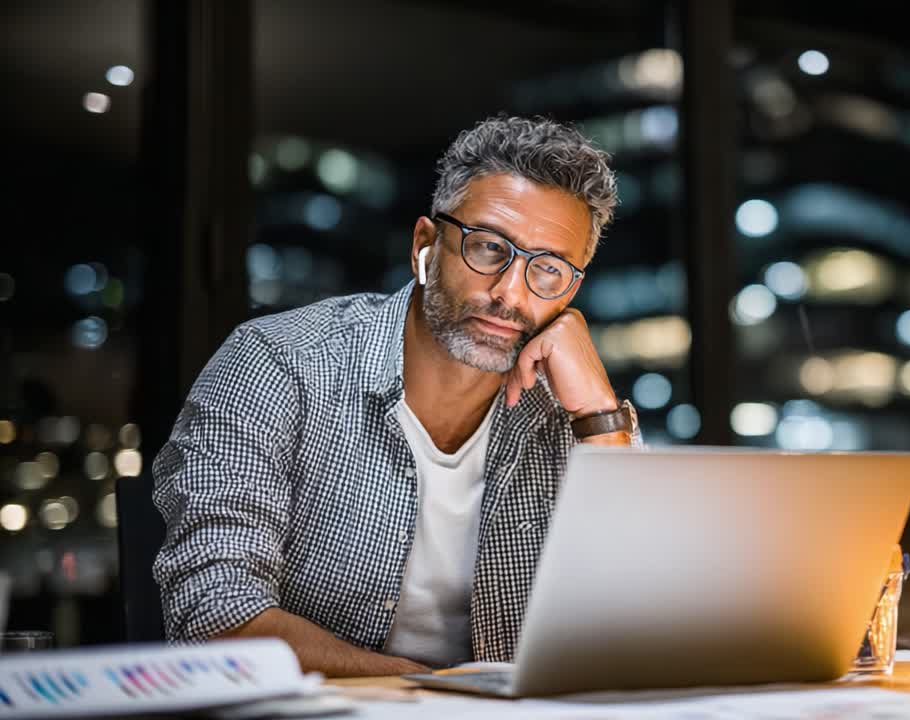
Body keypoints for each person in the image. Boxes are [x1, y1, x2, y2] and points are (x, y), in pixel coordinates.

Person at [153, 116, 640, 676]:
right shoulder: (277, 364)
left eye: (548, 270)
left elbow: (647, 619)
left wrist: (601, 415)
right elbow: (213, 617)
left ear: (571, 290)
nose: (510, 293)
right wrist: (436, 695)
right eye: (487, 249)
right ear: (425, 246)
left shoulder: (571, 407)